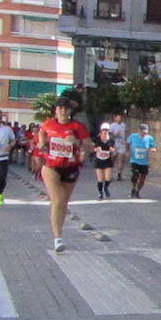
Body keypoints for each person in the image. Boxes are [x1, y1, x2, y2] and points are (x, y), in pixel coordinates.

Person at [38, 97, 92, 253]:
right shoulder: (49, 123)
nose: (62, 111)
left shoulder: (77, 126)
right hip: (51, 166)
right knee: (58, 199)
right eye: (60, 108)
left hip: (70, 166)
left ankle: (59, 233)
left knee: (63, 203)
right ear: (55, 110)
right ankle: (57, 238)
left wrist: (77, 142)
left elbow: (89, 146)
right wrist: (42, 143)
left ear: (70, 111)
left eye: (66, 108)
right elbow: (42, 132)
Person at [126, 122, 156, 198]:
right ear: (139, 131)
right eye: (143, 133)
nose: (144, 134)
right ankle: (133, 188)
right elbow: (127, 143)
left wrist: (153, 149)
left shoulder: (149, 138)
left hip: (144, 162)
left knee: (142, 178)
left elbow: (152, 146)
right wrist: (127, 151)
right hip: (134, 160)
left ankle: (137, 191)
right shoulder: (133, 136)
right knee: (135, 175)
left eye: (145, 133)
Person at [92, 124, 116, 199]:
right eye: (103, 130)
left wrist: (112, 150)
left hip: (107, 161)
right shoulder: (96, 139)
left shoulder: (111, 140)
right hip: (98, 160)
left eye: (107, 130)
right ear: (101, 131)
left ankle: (106, 187)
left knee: (108, 177)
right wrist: (94, 149)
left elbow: (112, 148)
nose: (105, 132)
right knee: (100, 179)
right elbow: (92, 146)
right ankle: (100, 192)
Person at [109, 112, 127, 181]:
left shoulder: (123, 125)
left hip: (121, 144)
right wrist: (115, 135)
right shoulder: (112, 125)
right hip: (115, 144)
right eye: (118, 117)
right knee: (112, 159)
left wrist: (125, 141)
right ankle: (110, 174)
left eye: (120, 118)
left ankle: (119, 174)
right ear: (115, 118)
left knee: (121, 159)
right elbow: (110, 135)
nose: (119, 119)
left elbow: (125, 133)